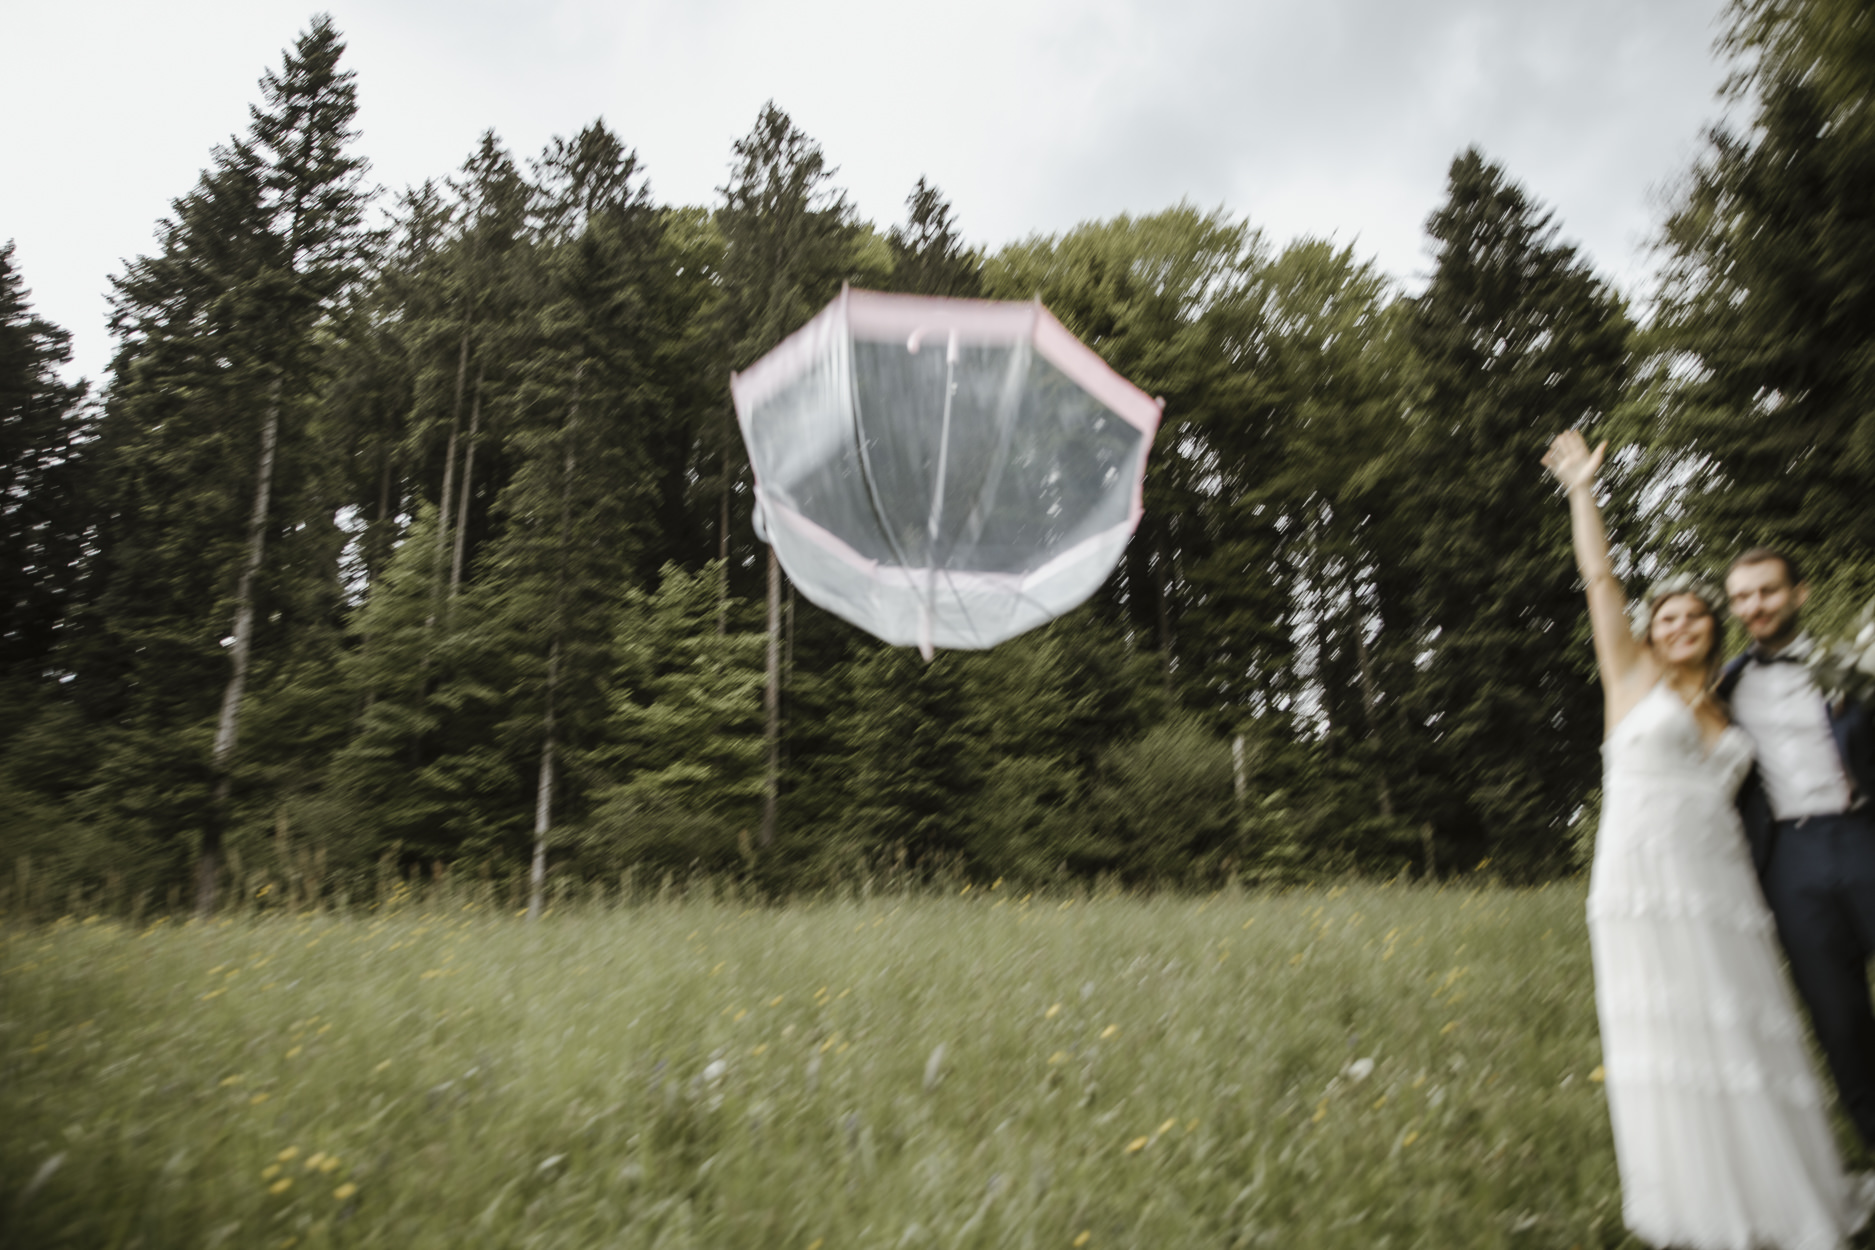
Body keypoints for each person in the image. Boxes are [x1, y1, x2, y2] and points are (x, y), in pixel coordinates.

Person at [1544, 430, 1863, 1249]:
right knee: (1671, 1034)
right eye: (1668, 616)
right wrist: (1582, 489)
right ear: (1651, 630)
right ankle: (1712, 1202)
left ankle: (1779, 1182)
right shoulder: (1629, 678)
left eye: (1694, 615)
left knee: (1743, 1026)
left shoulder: (1731, 704)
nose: (1680, 623)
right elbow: (1597, 577)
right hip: (1642, 880)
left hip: (1723, 887)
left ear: (1711, 630)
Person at [1720, 547, 1875, 1153]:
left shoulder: (1850, 665)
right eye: (1742, 597)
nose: (1754, 606)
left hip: (1863, 834)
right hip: (1789, 860)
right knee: (1840, 1021)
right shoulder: (1726, 683)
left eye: (1766, 592)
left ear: (1798, 594)